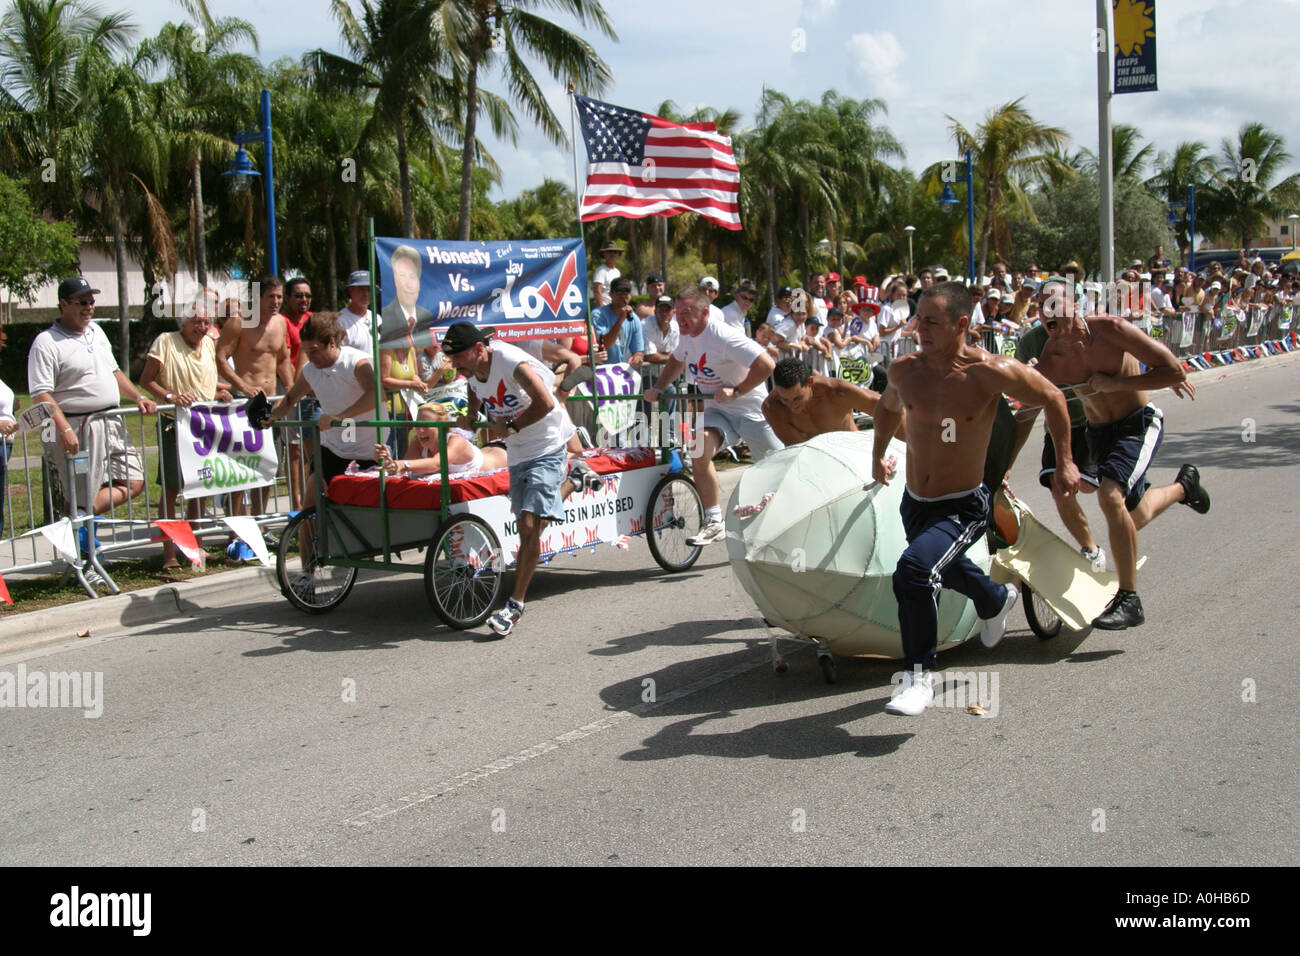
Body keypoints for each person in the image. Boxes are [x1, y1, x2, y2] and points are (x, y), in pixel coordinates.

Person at [871, 281, 1080, 717]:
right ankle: (992, 598)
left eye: (932, 321)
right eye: (918, 318)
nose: (919, 329)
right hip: (915, 500)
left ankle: (918, 677)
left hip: (963, 502)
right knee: (939, 568)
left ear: (961, 324)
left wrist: (1065, 462)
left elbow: (1054, 397)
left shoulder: (991, 371)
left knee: (913, 571)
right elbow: (888, 407)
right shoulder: (904, 369)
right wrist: (877, 455)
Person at [1031, 277, 1210, 630]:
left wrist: (1119, 383)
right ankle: (1184, 487)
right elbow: (1023, 406)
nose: (1046, 312)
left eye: (1054, 303)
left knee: (1111, 497)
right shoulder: (1053, 356)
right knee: (1133, 513)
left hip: (1137, 424)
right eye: (1041, 306)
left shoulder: (1112, 330)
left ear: (1075, 306)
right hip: (1099, 434)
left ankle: (1129, 599)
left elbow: (1173, 369)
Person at [441, 321, 595, 637]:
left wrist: (508, 427)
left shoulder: (510, 361)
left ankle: (515, 605)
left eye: (457, 356)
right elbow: (475, 390)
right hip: (518, 453)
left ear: (478, 349)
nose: (453, 363)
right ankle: (573, 481)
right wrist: (468, 418)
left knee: (528, 527)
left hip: (549, 444)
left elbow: (547, 402)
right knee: (533, 527)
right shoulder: (472, 372)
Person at [644, 284, 782, 545]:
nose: (680, 318)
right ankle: (714, 521)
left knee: (780, 468)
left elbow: (767, 364)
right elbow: (676, 360)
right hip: (717, 410)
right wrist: (659, 387)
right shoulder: (686, 336)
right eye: (677, 312)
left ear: (704, 312)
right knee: (697, 448)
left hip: (751, 409)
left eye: (687, 312)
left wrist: (737, 390)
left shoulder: (723, 336)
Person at [27, 277, 156, 530]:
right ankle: (82, 555)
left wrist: (138, 397)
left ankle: (78, 520)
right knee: (80, 491)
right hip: (79, 426)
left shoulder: (97, 332)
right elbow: (41, 394)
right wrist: (63, 429)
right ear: (64, 304)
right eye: (82, 302)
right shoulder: (46, 342)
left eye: (92, 302)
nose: (89, 307)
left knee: (133, 482)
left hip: (111, 422)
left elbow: (115, 372)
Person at [139, 289, 232, 569]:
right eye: (196, 321)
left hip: (203, 427)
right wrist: (171, 397)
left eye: (206, 322)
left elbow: (204, 383)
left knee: (200, 488)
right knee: (171, 490)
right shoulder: (165, 342)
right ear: (184, 320)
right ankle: (168, 554)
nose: (201, 327)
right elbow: (147, 380)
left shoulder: (209, 346)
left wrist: (218, 394)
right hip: (173, 425)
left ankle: (196, 548)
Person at [261, 312, 379, 508]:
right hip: (331, 448)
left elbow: (375, 395)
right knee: (310, 504)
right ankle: (305, 537)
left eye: (315, 351)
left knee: (359, 513)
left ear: (331, 342)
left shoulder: (357, 362)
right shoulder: (310, 370)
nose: (311, 357)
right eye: (307, 351)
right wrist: (269, 416)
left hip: (366, 451)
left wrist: (339, 417)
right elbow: (290, 398)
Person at [215, 276, 294, 534]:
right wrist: (242, 386)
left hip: (271, 403)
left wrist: (291, 389)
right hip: (244, 403)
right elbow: (220, 358)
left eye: (280, 296)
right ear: (257, 297)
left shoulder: (281, 323)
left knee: (268, 465)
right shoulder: (239, 322)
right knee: (240, 467)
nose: (276, 302)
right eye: (270, 296)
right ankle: (236, 528)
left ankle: (259, 524)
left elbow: (283, 359)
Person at [762, 357, 896, 445]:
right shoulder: (772, 408)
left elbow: (889, 409)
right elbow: (796, 448)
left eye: (798, 397)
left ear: (810, 382)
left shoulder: (837, 392)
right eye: (785, 399)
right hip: (813, 460)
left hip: (851, 448)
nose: (792, 405)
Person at [375, 402, 508, 477]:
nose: (420, 431)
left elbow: (436, 463)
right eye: (418, 425)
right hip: (487, 450)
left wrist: (402, 464)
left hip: (502, 452)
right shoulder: (417, 441)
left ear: (441, 427)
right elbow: (405, 468)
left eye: (426, 426)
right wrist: (387, 461)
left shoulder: (456, 441)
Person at [379, 244, 435, 343]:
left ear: (419, 282)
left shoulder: (428, 317)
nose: (408, 284)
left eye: (412, 276)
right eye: (402, 276)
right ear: (395, 280)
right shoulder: (386, 318)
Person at [590, 277, 645, 367]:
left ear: (630, 295)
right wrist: (620, 320)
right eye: (619, 292)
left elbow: (638, 349)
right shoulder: (598, 315)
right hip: (601, 371)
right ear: (610, 294)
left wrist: (637, 357)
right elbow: (604, 345)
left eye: (626, 292)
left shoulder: (634, 319)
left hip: (621, 371)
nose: (623, 296)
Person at [338, 270, 375, 353]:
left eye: (369, 289)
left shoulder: (377, 318)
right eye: (361, 289)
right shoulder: (340, 321)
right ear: (350, 291)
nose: (366, 294)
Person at [591, 242, 622, 309]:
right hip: (604, 307)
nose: (612, 254)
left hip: (615, 309)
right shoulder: (600, 271)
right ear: (604, 254)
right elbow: (597, 291)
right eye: (609, 252)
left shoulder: (617, 272)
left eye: (615, 252)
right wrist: (602, 310)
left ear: (618, 254)